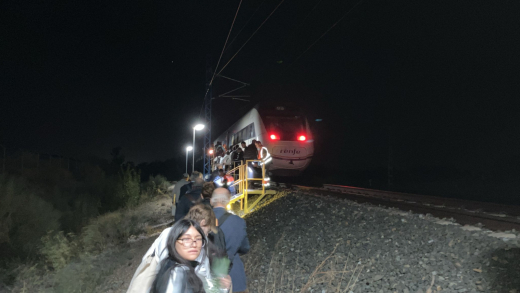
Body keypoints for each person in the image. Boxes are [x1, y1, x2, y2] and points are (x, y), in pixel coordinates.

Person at [151, 219, 231, 293]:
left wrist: (220, 287)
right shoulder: (177, 272)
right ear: (174, 241)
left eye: (198, 239)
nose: (194, 244)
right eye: (186, 239)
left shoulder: (175, 264)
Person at [211, 188, 250, 293]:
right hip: (233, 273)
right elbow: (245, 248)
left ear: (211, 201)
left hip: (207, 272)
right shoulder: (238, 221)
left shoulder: (201, 219)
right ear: (228, 201)